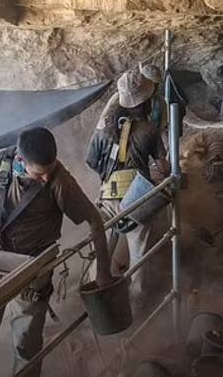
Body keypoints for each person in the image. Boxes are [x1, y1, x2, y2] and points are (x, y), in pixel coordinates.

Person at [0, 127, 112, 377]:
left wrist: (103, 273)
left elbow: (94, 220)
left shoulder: (59, 181)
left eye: (50, 170)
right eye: (39, 174)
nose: (46, 179)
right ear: (20, 160)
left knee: (27, 344)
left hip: (34, 270)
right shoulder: (1, 161)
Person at [86, 70, 170, 296]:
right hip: (136, 200)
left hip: (106, 198)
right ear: (146, 100)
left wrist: (111, 175)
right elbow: (164, 169)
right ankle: (137, 300)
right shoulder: (149, 130)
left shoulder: (103, 130)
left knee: (102, 251)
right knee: (139, 255)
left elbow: (91, 161)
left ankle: (97, 293)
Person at [96, 63, 166, 131]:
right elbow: (102, 122)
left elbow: (162, 128)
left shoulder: (160, 102)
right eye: (152, 84)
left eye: (157, 84)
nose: (155, 88)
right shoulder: (118, 98)